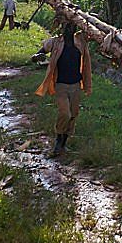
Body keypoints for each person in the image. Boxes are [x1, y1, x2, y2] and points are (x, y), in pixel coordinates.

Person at [32, 20, 92, 153]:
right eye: (66, 26)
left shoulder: (81, 40)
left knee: (73, 114)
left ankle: (63, 143)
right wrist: (37, 56)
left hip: (76, 84)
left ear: (76, 26)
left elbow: (93, 31)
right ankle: (58, 140)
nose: (69, 29)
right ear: (62, 27)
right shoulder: (55, 42)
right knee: (65, 113)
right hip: (61, 85)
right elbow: (36, 55)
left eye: (72, 26)